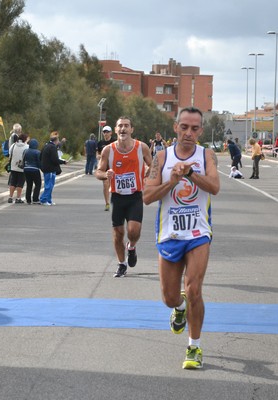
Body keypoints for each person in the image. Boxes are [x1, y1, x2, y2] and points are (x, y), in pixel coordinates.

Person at [143, 106, 220, 370]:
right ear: (176, 127)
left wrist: (191, 174)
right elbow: (147, 196)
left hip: (198, 233)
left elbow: (215, 188)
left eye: (195, 128)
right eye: (184, 127)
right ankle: (180, 305)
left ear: (201, 130)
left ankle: (194, 345)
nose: (189, 133)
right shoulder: (161, 158)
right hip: (170, 234)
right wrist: (173, 181)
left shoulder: (206, 155)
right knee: (168, 297)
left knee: (196, 288)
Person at [95, 116, 152, 277]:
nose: (123, 129)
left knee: (133, 231)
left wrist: (149, 170)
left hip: (135, 196)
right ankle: (121, 264)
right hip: (117, 197)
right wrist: (105, 174)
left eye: (126, 126)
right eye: (120, 126)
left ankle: (131, 247)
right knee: (118, 233)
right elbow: (98, 172)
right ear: (115, 129)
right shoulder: (108, 150)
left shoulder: (142, 147)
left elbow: (153, 164)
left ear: (131, 130)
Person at [39, 134, 67, 206]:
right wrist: (63, 161)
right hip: (50, 169)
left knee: (48, 184)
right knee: (49, 185)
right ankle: (43, 199)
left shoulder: (45, 146)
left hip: (45, 168)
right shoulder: (53, 148)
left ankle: (49, 200)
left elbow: (40, 156)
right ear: (56, 141)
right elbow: (54, 159)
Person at [97, 126, 115, 211]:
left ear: (111, 133)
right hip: (105, 166)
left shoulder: (115, 142)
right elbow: (97, 155)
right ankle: (107, 203)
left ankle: (115, 201)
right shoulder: (100, 143)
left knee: (113, 185)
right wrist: (101, 156)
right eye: (104, 132)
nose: (105, 133)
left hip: (114, 166)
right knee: (105, 184)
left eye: (107, 132)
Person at [8, 133, 29, 203]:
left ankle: (10, 197)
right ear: (25, 139)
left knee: (13, 182)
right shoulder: (27, 147)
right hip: (22, 168)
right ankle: (18, 198)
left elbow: (9, 154)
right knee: (20, 183)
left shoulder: (13, 145)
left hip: (13, 166)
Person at [23, 138, 42, 204]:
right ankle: (35, 198)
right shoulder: (37, 152)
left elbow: (23, 160)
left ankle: (28, 199)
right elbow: (39, 162)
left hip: (26, 169)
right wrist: (42, 168)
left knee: (29, 184)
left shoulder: (25, 151)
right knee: (38, 184)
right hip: (35, 169)